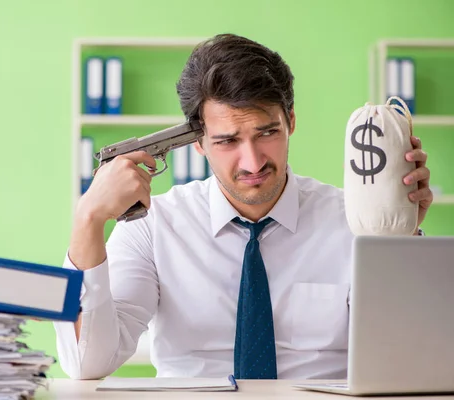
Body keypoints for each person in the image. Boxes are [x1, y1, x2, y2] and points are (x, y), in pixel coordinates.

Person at [53, 33, 433, 380]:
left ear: (291, 122)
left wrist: (401, 241)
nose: (252, 163)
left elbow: (414, 357)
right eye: (228, 141)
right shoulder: (153, 227)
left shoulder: (354, 220)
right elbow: (87, 363)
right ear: (198, 142)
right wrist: (88, 220)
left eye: (267, 133)